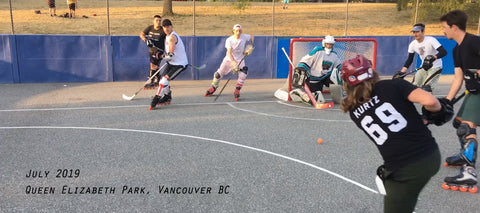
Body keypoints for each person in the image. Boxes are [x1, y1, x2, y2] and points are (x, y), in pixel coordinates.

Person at [340, 55, 453, 212]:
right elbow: (430, 102)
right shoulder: (393, 86)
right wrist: (438, 111)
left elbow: (389, 126)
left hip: (404, 167)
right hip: (429, 154)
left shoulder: (353, 111)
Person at [440, 10, 480, 193]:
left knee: (467, 128)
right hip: (473, 91)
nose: (443, 31)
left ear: (454, 27)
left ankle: (469, 173)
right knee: (459, 125)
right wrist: (447, 101)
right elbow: (458, 78)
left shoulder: (474, 41)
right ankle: (465, 156)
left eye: (444, 27)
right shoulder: (456, 50)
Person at [204, 24, 254, 101]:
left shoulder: (244, 36)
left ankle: (237, 90)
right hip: (229, 59)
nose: (238, 32)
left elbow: (251, 37)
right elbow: (229, 52)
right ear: (233, 31)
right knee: (218, 74)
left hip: (240, 59)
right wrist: (233, 63)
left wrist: (250, 46)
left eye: (240, 31)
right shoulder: (229, 40)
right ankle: (213, 87)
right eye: (236, 31)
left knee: (244, 73)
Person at [394, 23, 447, 92]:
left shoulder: (431, 40)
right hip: (423, 67)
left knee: (427, 88)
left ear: (423, 31)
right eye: (414, 32)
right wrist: (402, 72)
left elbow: (443, 52)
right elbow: (410, 59)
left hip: (435, 67)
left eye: (417, 32)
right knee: (413, 87)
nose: (415, 34)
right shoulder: (413, 44)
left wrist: (433, 58)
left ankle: (429, 102)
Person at [289, 35, 342, 104]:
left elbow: (339, 66)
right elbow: (305, 60)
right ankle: (297, 91)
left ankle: (338, 98)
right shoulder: (317, 51)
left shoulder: (334, 55)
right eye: (328, 44)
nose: (329, 46)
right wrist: (302, 67)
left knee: (338, 75)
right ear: (324, 43)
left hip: (325, 77)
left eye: (331, 44)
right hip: (313, 78)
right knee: (318, 97)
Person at [149, 19, 188, 110]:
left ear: (172, 27)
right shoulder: (167, 36)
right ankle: (167, 97)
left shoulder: (172, 37)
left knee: (163, 82)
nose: (166, 28)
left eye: (168, 26)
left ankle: (155, 100)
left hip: (179, 64)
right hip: (171, 63)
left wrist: (160, 56)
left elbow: (170, 55)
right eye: (165, 27)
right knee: (161, 81)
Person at [140, 15, 166, 90]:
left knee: (154, 66)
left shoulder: (162, 30)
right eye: (157, 20)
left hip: (159, 51)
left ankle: (151, 81)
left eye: (159, 21)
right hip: (152, 50)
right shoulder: (150, 28)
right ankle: (158, 79)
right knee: (153, 66)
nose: (158, 22)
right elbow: (141, 34)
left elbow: (169, 37)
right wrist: (146, 40)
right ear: (153, 21)